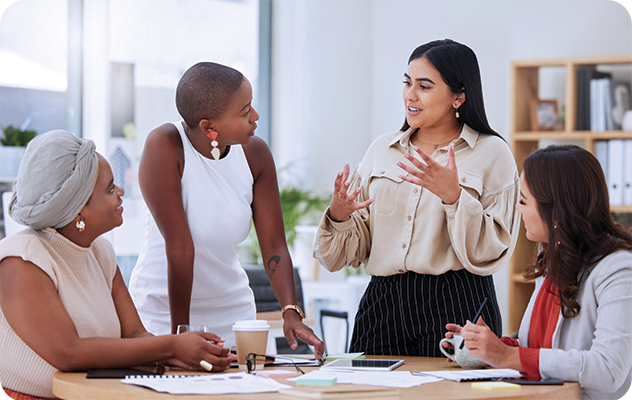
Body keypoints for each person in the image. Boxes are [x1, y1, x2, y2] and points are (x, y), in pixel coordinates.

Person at [314, 39, 520, 356]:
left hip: (457, 300)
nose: (410, 95)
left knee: (447, 385)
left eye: (424, 86)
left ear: (459, 96)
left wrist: (454, 197)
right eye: (407, 83)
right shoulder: (382, 150)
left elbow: (493, 249)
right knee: (368, 384)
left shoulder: (492, 153)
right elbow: (343, 256)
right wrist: (339, 216)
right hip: (383, 302)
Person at [0, 130, 232, 400]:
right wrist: (172, 346)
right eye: (110, 188)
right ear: (78, 210)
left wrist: (182, 355)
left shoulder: (101, 252)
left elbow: (134, 334)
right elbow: (68, 353)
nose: (121, 192)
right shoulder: (22, 259)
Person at [128, 62, 323, 358]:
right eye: (245, 112)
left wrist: (290, 312)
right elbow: (180, 247)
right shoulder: (165, 145)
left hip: (233, 314)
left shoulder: (255, 153)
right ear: (209, 126)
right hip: (163, 313)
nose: (255, 116)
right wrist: (180, 336)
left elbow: (273, 245)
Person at [449, 145, 632, 400]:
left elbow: (608, 369)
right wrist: (490, 348)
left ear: (555, 210)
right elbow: (541, 351)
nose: (517, 208)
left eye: (524, 200)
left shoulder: (618, 270)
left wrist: (508, 356)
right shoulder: (552, 259)